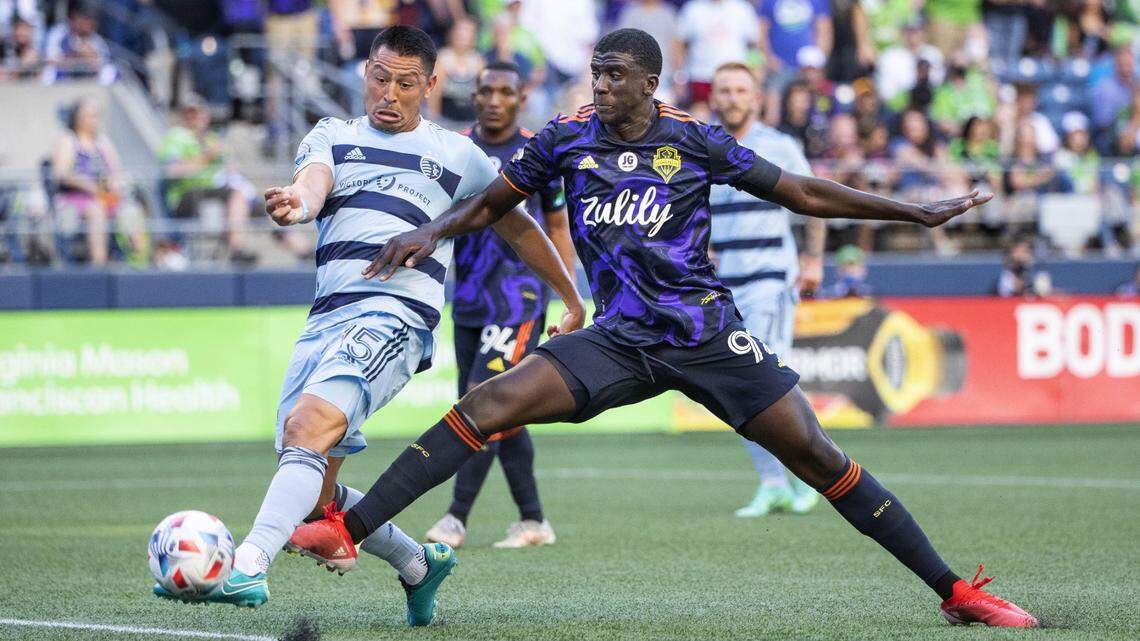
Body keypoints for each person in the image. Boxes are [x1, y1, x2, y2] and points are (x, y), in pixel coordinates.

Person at [293, 28, 1038, 628]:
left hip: (706, 336)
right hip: (619, 339)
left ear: (650, 83)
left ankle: (954, 591)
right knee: (487, 404)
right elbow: (494, 202)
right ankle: (347, 530)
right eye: (596, 72)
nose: (600, 85)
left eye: (615, 75)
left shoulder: (695, 139)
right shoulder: (565, 137)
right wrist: (432, 231)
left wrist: (916, 211)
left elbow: (802, 193)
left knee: (818, 455)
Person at [152, 27, 585, 625]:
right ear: (365, 74)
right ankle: (418, 565)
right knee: (313, 497)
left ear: (430, 86)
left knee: (307, 427)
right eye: (380, 78)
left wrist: (571, 297)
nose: (390, 94)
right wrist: (299, 204)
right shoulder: (332, 135)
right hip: (325, 320)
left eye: (406, 84)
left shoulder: (458, 155)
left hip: (396, 315)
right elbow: (312, 185)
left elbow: (517, 225)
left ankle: (247, 565)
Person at [424, 61, 575, 550]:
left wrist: (567, 294)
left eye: (504, 92)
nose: (493, 100)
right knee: (500, 414)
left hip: (518, 299)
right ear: (474, 96)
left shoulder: (538, 152)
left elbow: (557, 227)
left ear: (521, 98)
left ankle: (455, 518)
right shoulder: (456, 148)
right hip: (468, 298)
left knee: (483, 403)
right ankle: (533, 520)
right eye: (485, 90)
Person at [708, 61, 826, 517]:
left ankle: (803, 475)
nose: (732, 98)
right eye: (725, 90)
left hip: (769, 280)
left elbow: (814, 198)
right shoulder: (701, 148)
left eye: (741, 90)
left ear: (756, 98)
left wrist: (813, 259)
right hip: (722, 289)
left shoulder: (778, 146)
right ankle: (779, 482)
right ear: (713, 97)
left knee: (762, 381)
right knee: (742, 387)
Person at [159, 100, 257, 264]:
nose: (194, 118)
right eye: (190, 114)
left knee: (265, 203)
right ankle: (237, 249)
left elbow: (231, 168)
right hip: (186, 194)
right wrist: (206, 157)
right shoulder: (176, 137)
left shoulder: (212, 139)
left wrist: (227, 164)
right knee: (237, 195)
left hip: (215, 191)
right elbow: (172, 171)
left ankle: (300, 250)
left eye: (198, 114)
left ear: (206, 117)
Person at [50, 98, 125, 266]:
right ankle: (99, 264)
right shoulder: (68, 140)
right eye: (90, 116)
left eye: (96, 116)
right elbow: (61, 174)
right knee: (96, 210)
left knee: (130, 211)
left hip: (105, 196)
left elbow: (116, 170)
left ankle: (138, 263)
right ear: (77, 118)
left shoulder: (103, 141)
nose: (94, 120)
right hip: (75, 198)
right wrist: (88, 185)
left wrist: (115, 183)